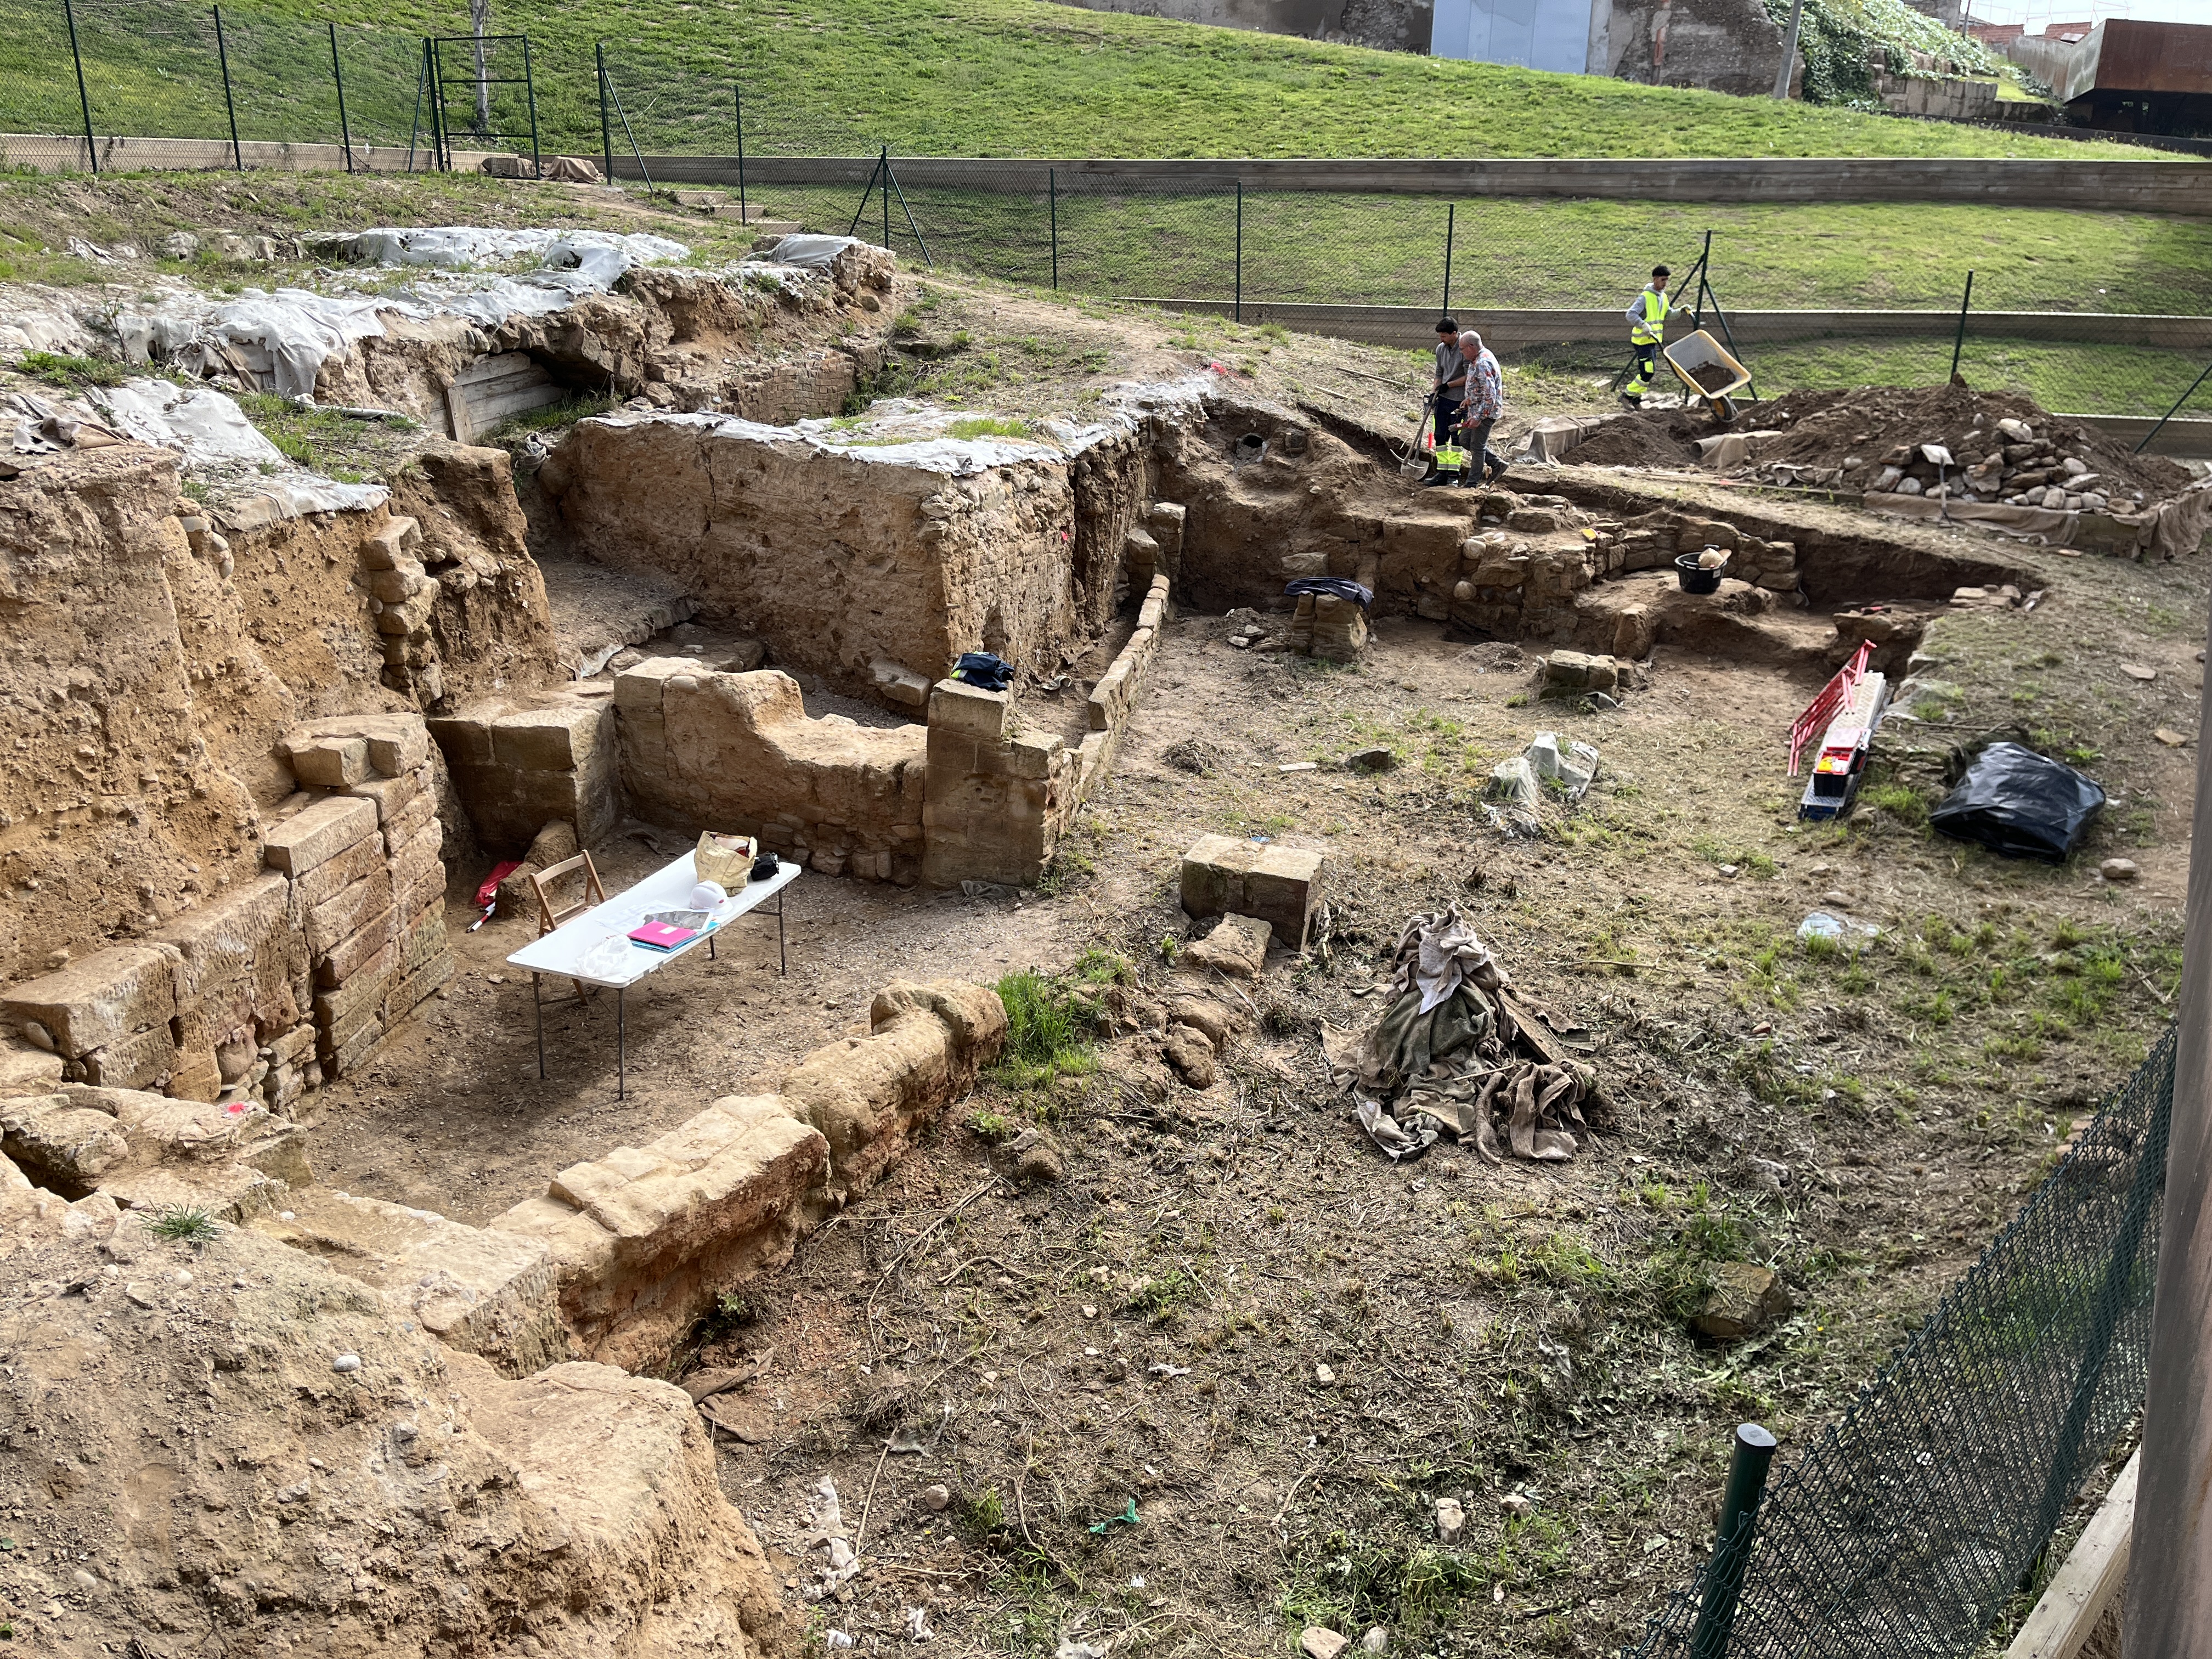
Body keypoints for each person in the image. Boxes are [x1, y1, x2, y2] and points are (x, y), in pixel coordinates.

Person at [1451, 328, 1507, 486]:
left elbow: (1490, 396)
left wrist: (1478, 417)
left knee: (1477, 446)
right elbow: (1482, 388)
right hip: (1477, 409)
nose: (1461, 353)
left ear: (1471, 346)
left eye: (1462, 349)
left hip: (1485, 413)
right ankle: (1496, 463)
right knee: (1464, 440)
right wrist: (1470, 399)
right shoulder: (1481, 357)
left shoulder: (1483, 363)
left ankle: (1472, 483)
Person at [1622, 264, 1671, 408]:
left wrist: (1682, 311)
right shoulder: (1645, 297)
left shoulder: (1663, 297)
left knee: (1648, 372)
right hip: (1642, 340)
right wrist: (1643, 325)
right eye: (1663, 280)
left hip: (1653, 341)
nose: (1665, 283)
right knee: (1648, 372)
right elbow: (1630, 314)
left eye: (1667, 280)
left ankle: (1635, 400)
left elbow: (1668, 314)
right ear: (1655, 279)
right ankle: (1626, 396)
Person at [1430, 315, 1468, 469]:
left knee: (1457, 439)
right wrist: (1435, 392)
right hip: (1443, 399)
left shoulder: (1465, 348)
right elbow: (1439, 373)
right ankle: (1442, 470)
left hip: (1460, 401)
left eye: (1444, 336)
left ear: (1454, 333)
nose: (1441, 340)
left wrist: (1450, 385)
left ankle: (1454, 474)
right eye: (1440, 336)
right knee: (1440, 436)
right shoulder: (1441, 349)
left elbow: (1469, 377)